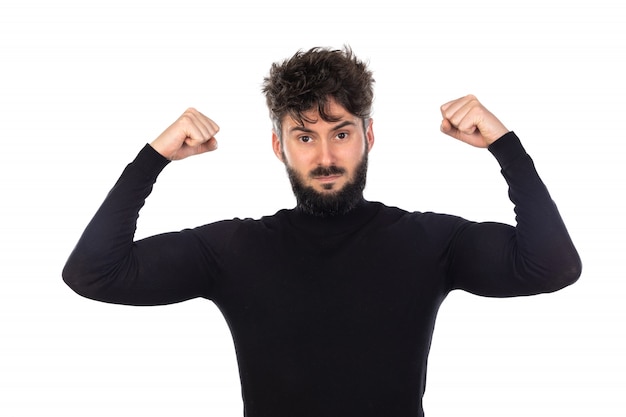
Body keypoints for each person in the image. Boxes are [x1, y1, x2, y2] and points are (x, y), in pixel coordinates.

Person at [63, 46, 582, 417]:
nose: (326, 157)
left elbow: (552, 265)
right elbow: (94, 273)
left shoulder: (428, 243)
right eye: (304, 136)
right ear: (278, 146)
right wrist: (152, 159)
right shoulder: (234, 250)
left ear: (368, 136)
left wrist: (505, 146)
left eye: (341, 132)